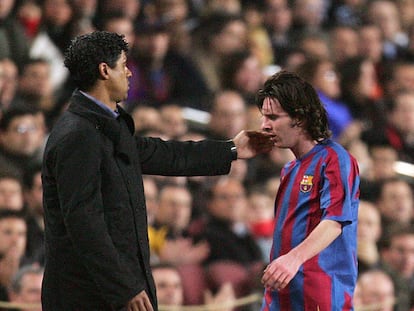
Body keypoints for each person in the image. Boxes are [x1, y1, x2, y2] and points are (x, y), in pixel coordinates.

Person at [40, 30, 274, 311]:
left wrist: (232, 149)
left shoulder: (103, 125)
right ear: (104, 70)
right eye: (123, 65)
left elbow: (163, 154)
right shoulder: (79, 135)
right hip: (90, 296)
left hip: (110, 291)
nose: (128, 74)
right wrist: (124, 286)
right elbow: (84, 222)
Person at [257, 71, 360, 310]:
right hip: (282, 292)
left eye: (273, 117)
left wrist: (293, 259)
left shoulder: (335, 159)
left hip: (321, 294)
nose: (264, 125)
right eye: (263, 117)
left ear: (300, 118)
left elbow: (335, 221)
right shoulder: (289, 168)